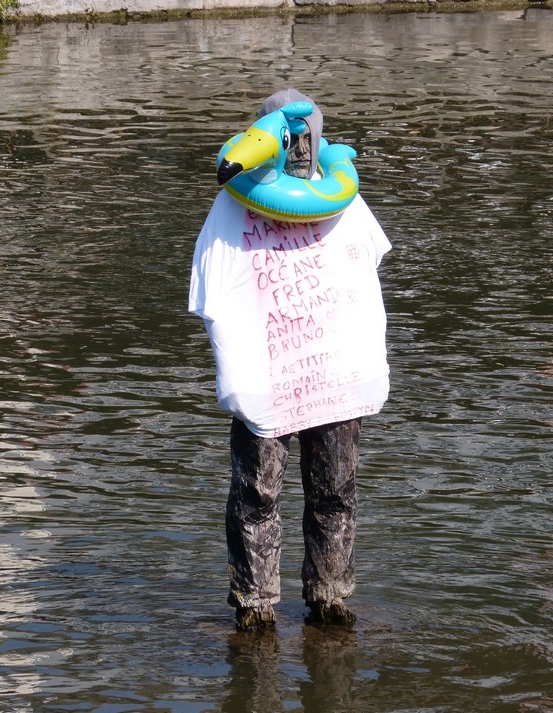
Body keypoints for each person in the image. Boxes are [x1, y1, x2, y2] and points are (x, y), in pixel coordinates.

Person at [189, 88, 391, 630]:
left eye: (308, 138)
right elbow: (212, 291)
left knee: (335, 490)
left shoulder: (341, 196)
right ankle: (255, 609)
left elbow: (364, 268)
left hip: (329, 372)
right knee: (257, 494)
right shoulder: (235, 205)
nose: (301, 150)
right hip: (270, 373)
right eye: (291, 138)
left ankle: (330, 597)